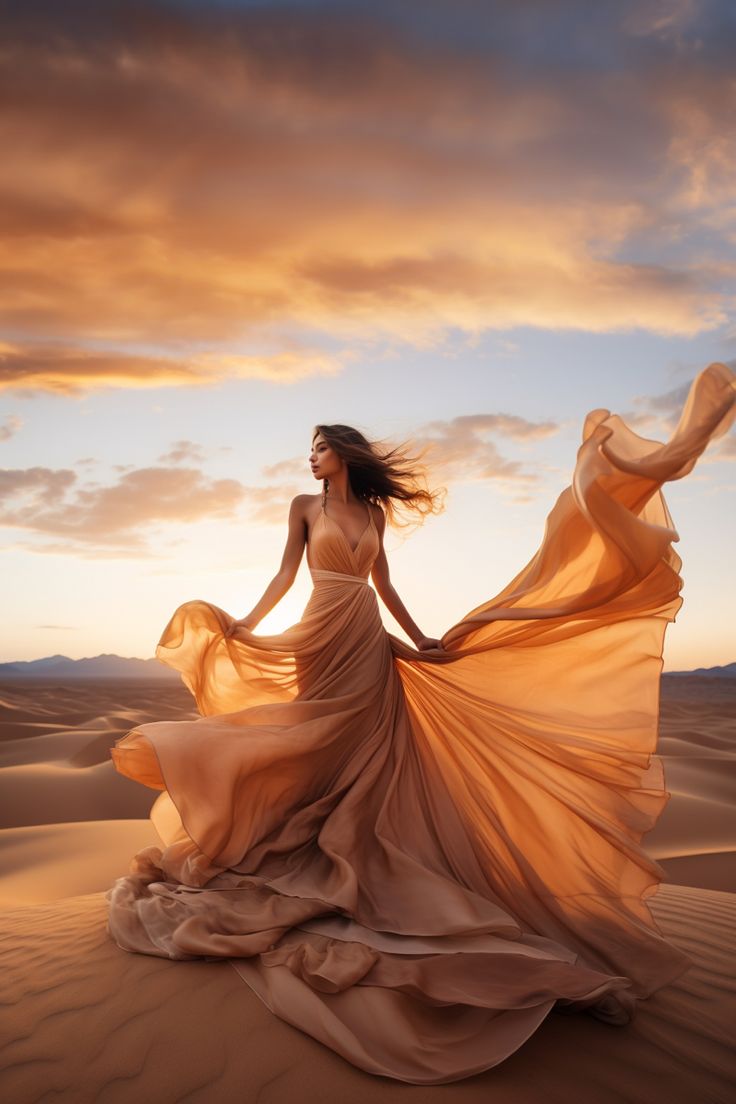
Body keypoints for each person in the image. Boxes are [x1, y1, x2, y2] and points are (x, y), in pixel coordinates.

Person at [107, 362, 735, 1085]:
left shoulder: (372, 517)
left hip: (367, 638)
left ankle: (360, 864)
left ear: (344, 451)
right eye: (309, 450)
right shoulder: (302, 509)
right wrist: (245, 626)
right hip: (320, 634)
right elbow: (286, 577)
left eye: (318, 446)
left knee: (367, 757)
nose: (310, 458)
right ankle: (291, 857)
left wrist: (423, 638)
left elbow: (385, 585)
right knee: (314, 745)